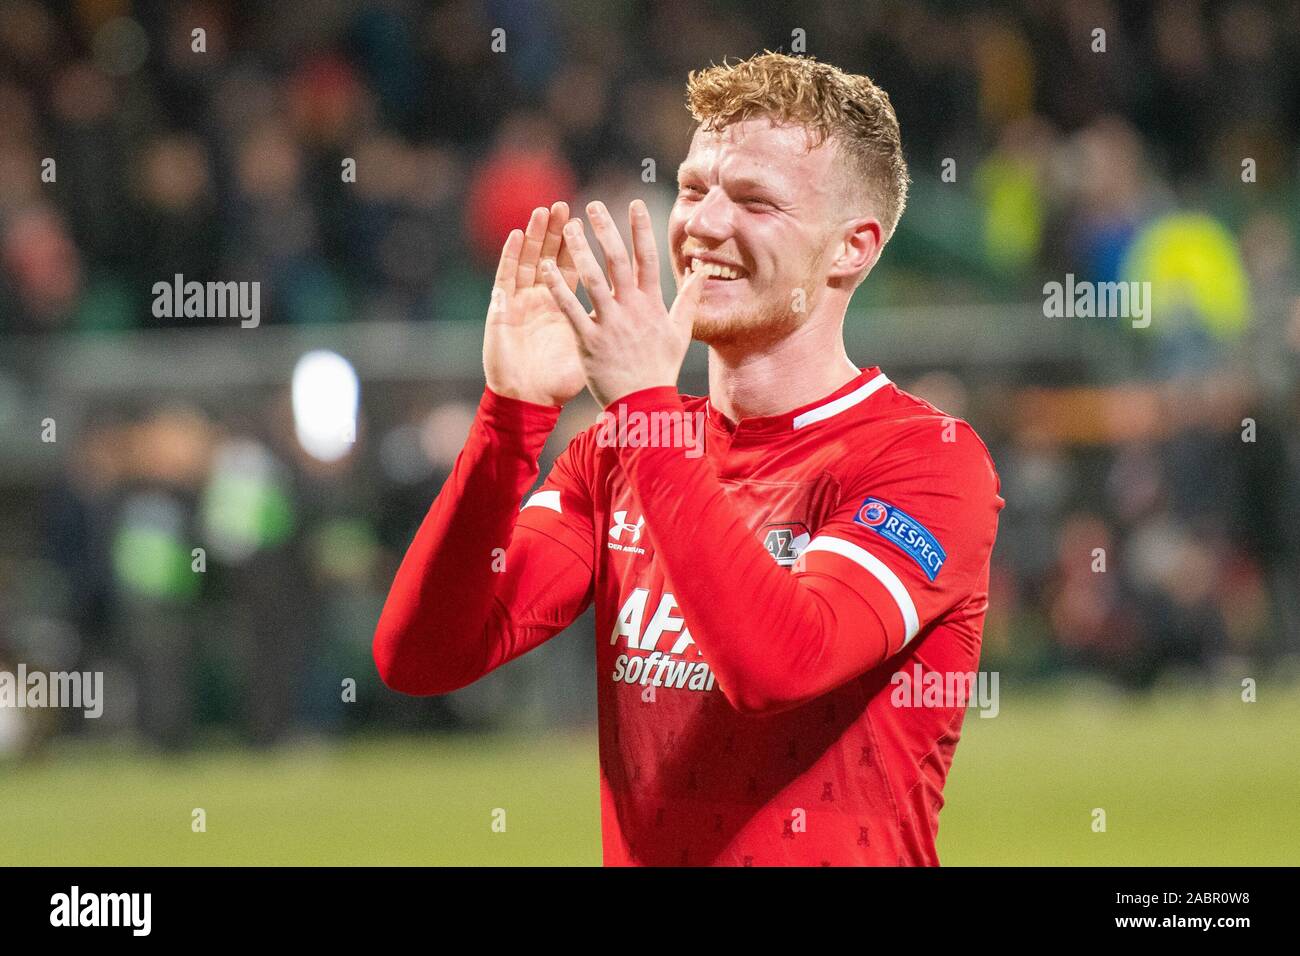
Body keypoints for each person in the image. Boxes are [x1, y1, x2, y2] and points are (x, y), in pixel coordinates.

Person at [374, 52, 1003, 866]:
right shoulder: (617, 452)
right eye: (695, 187)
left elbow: (780, 665)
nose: (703, 224)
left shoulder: (923, 461)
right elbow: (423, 655)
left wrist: (642, 411)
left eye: (754, 201)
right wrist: (511, 421)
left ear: (851, 249)